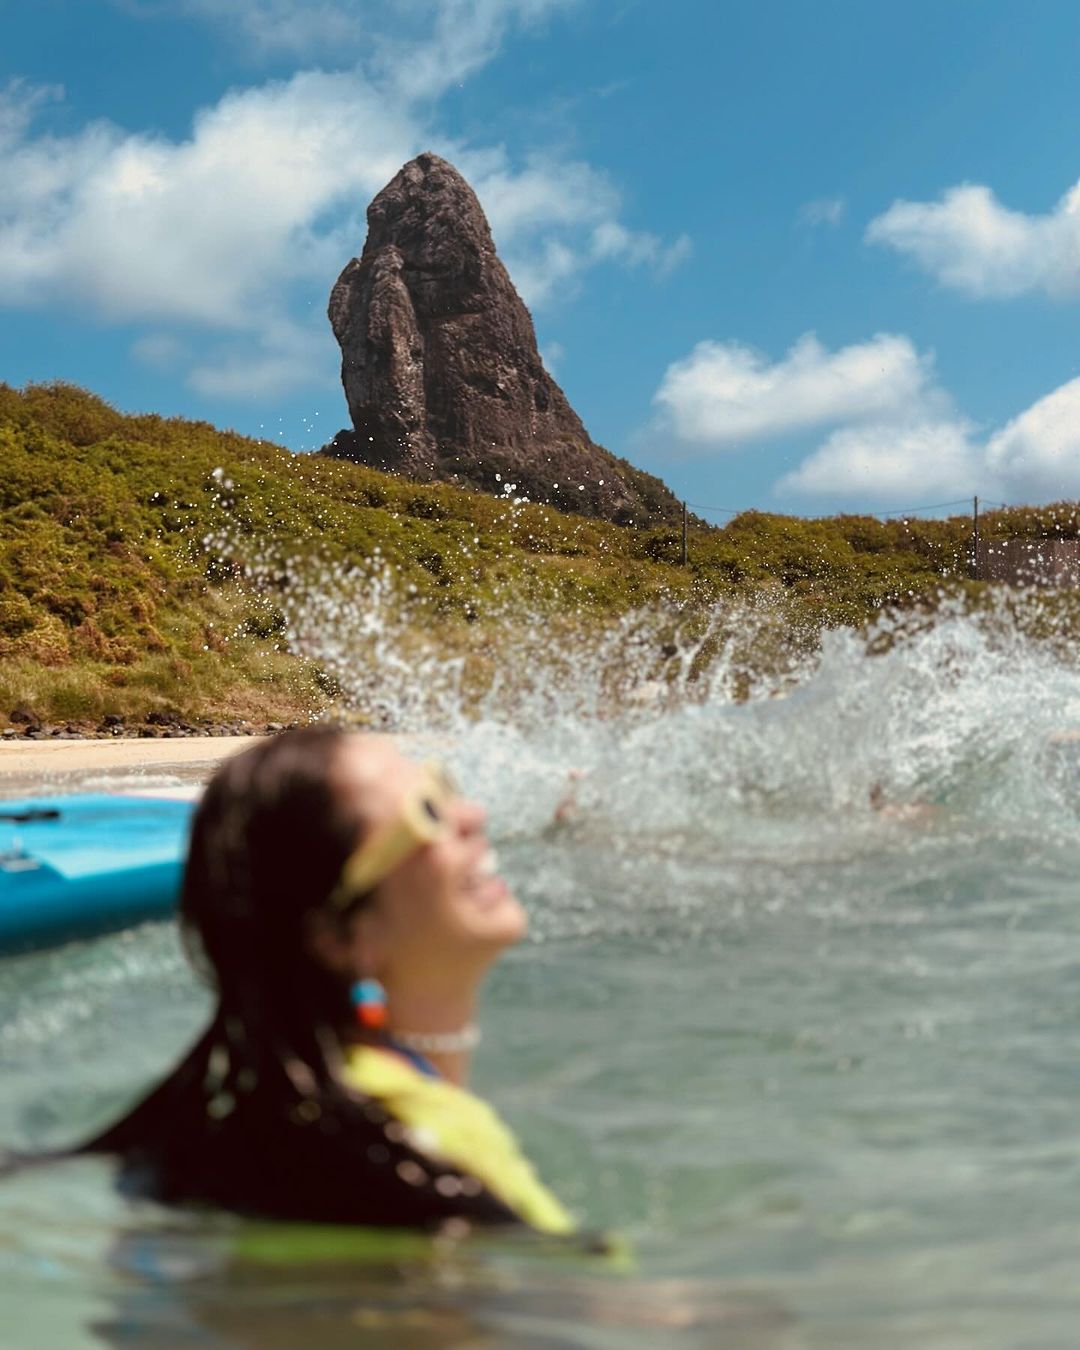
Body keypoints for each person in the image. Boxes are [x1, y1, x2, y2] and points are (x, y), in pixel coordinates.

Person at [79, 726, 574, 1236]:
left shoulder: (266, 1121)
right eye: (426, 814)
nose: (472, 815)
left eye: (443, 788)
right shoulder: (428, 1138)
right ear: (339, 937)